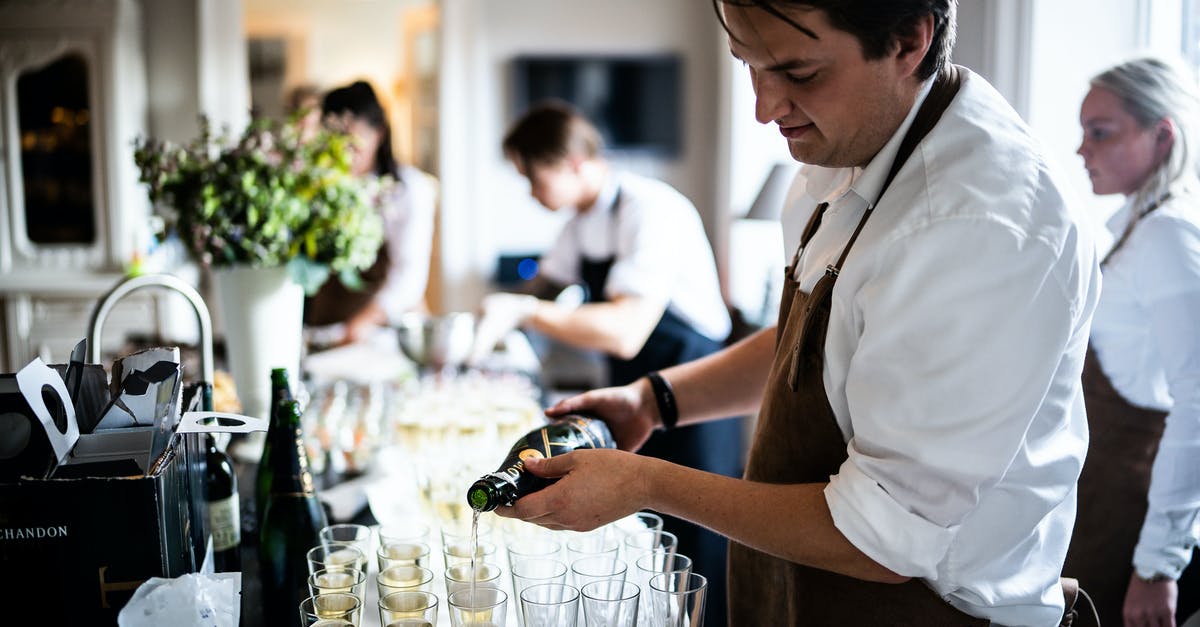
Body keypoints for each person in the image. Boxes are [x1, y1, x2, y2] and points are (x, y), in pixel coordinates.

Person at [492, 1, 1103, 625]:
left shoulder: (979, 225)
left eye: (800, 74)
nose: (764, 108)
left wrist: (646, 483)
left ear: (908, 40)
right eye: (748, 66)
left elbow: (882, 536)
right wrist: (653, 401)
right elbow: (809, 341)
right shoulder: (844, 158)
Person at [470, 100, 743, 625]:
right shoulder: (581, 224)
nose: (531, 191)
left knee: (696, 551)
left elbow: (625, 330)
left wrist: (523, 310)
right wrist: (503, 322)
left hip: (695, 392)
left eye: (533, 176)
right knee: (642, 541)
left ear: (573, 163)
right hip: (634, 398)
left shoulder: (650, 209)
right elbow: (543, 289)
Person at [1063, 56, 1200, 627]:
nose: (1081, 149)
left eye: (1101, 132)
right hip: (1096, 497)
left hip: (1128, 511)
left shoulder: (1168, 236)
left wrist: (1158, 565)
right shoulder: (1133, 230)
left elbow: (1197, 403)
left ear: (1161, 135)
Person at [303, 80, 437, 344]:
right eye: (333, 137)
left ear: (379, 133)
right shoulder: (315, 186)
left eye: (353, 139)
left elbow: (408, 278)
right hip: (323, 328)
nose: (342, 149)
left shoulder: (408, 189)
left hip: (384, 332)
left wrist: (361, 324)